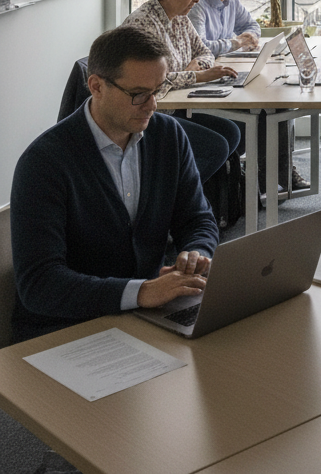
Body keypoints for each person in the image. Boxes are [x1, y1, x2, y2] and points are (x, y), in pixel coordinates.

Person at [10, 27, 219, 343]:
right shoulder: (44, 162)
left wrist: (197, 251)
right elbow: (40, 285)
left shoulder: (168, 136)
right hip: (65, 330)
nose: (152, 105)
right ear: (96, 86)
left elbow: (197, 218)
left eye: (158, 90)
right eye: (138, 94)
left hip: (142, 316)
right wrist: (141, 292)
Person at [189, 0, 309, 193]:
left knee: (279, 101)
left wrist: (249, 37)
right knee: (268, 106)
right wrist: (235, 43)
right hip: (205, 83)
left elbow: (252, 26)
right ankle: (272, 175)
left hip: (225, 73)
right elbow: (201, 47)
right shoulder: (197, 4)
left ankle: (278, 172)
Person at [121, 0, 242, 183]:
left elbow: (205, 52)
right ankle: (175, 195)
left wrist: (194, 69)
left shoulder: (180, 18)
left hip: (176, 106)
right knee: (215, 147)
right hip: (148, 115)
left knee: (233, 132)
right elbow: (152, 85)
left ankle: (201, 194)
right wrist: (194, 76)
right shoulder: (142, 26)